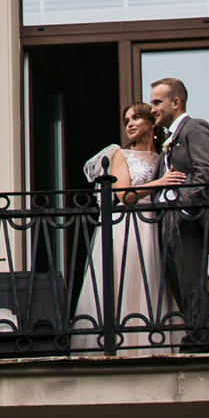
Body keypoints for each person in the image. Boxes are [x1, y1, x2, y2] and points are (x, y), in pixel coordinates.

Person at [74, 102, 170, 354]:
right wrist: (160, 183)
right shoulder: (120, 154)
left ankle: (150, 345)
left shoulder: (164, 157)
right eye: (127, 119)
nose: (129, 123)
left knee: (152, 280)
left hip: (155, 225)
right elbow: (125, 194)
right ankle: (124, 347)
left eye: (136, 117)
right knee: (126, 280)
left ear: (152, 123)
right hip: (130, 225)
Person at [147, 75, 209, 349]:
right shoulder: (168, 139)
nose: (152, 108)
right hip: (169, 222)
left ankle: (205, 343)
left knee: (192, 281)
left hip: (187, 221)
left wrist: (183, 208)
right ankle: (197, 334)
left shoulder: (195, 128)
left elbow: (207, 172)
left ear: (175, 102)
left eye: (157, 102)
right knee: (180, 283)